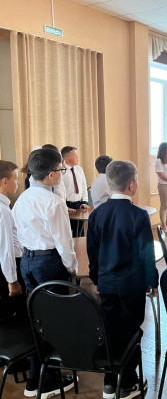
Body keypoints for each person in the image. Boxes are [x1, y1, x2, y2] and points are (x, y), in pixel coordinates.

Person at [87, 160, 158, 399]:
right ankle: (127, 383)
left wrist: (96, 279)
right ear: (131, 185)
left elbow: (93, 252)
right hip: (131, 285)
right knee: (131, 331)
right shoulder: (139, 215)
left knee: (110, 328)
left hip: (107, 283)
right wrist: (152, 281)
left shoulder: (97, 214)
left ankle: (110, 382)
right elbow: (146, 253)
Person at [12, 148, 78, 398]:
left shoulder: (22, 198)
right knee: (53, 319)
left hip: (28, 261)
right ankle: (45, 381)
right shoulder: (53, 202)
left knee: (39, 317)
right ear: (51, 174)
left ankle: (36, 375)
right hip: (49, 263)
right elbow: (64, 242)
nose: (62, 174)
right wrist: (71, 267)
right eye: (61, 170)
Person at [0, 160, 26, 320]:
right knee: (17, 315)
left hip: (7, 265)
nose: (18, 183)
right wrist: (12, 280)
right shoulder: (3, 211)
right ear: (4, 181)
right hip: (11, 266)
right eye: (15, 179)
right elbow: (6, 249)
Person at [61, 146, 90, 237]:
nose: (77, 158)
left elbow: (83, 186)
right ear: (66, 158)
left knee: (80, 232)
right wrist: (64, 206)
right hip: (67, 205)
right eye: (75, 156)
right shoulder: (62, 171)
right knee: (69, 233)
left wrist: (84, 202)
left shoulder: (79, 169)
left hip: (79, 205)